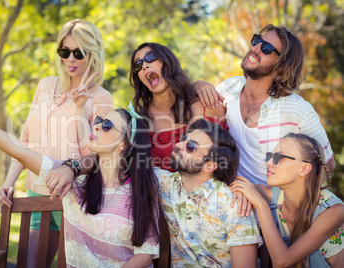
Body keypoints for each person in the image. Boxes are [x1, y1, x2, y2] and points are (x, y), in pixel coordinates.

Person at [0, 88, 160, 267]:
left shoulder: (141, 190)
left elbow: (145, 252)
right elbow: (19, 150)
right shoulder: (74, 185)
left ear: (123, 144)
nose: (96, 125)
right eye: (99, 120)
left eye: (106, 126)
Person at [46, 119, 263, 267]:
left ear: (210, 165)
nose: (179, 144)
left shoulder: (234, 204)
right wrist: (71, 167)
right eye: (184, 139)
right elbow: (111, 157)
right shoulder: (163, 182)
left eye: (191, 146)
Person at [0, 19, 114, 267]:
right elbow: (26, 141)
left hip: (76, 198)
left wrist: (80, 109)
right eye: (64, 51)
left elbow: (92, 156)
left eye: (78, 53)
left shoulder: (102, 98)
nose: (70, 59)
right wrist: (7, 183)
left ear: (93, 54)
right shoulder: (45, 86)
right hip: (37, 192)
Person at [193, 24, 335, 185]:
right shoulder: (230, 87)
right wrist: (198, 85)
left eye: (267, 48)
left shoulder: (298, 110)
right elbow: (196, 102)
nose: (255, 48)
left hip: (272, 202)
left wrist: (285, 199)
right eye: (256, 40)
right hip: (230, 194)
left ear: (282, 64)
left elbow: (328, 165)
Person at [230, 133, 344, 267]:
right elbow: (227, 185)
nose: (268, 163)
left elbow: (282, 261)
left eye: (279, 157)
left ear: (304, 169)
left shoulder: (333, 211)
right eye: (270, 156)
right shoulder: (270, 195)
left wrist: (261, 205)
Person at [130, 42, 227, 172]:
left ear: (167, 61)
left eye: (150, 58)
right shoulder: (139, 122)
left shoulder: (206, 104)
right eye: (138, 64)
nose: (145, 66)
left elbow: (226, 160)